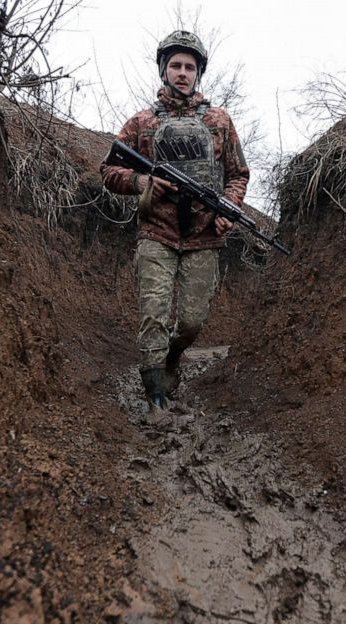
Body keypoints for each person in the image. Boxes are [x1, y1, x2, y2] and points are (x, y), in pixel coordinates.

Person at [101, 30, 250, 412]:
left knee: (191, 323)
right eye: (175, 66)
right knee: (152, 314)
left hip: (203, 236)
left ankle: (172, 358)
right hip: (156, 233)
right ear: (164, 71)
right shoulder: (141, 122)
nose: (182, 73)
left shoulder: (219, 121)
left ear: (198, 73)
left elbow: (237, 173)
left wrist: (227, 210)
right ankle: (155, 396)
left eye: (189, 67)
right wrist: (142, 181)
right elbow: (108, 170)